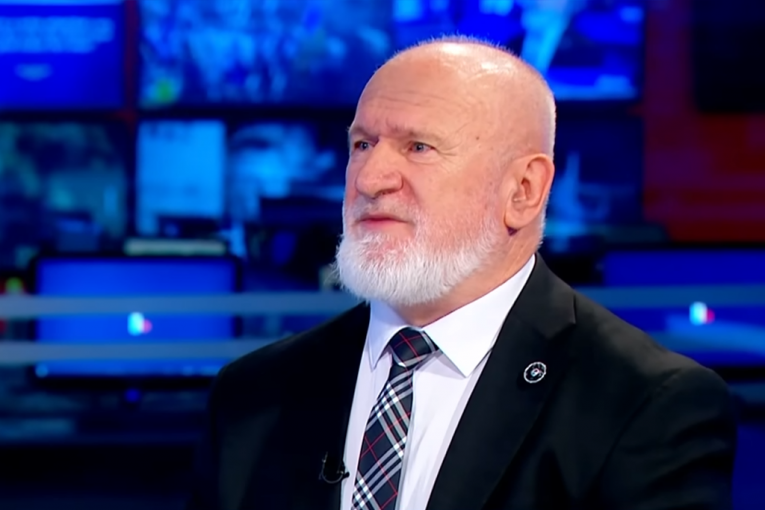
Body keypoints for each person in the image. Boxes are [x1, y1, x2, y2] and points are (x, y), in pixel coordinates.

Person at [188, 36, 737, 510]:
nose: (370, 178)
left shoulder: (644, 404)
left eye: (418, 147)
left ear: (523, 191)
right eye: (362, 144)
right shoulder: (252, 395)